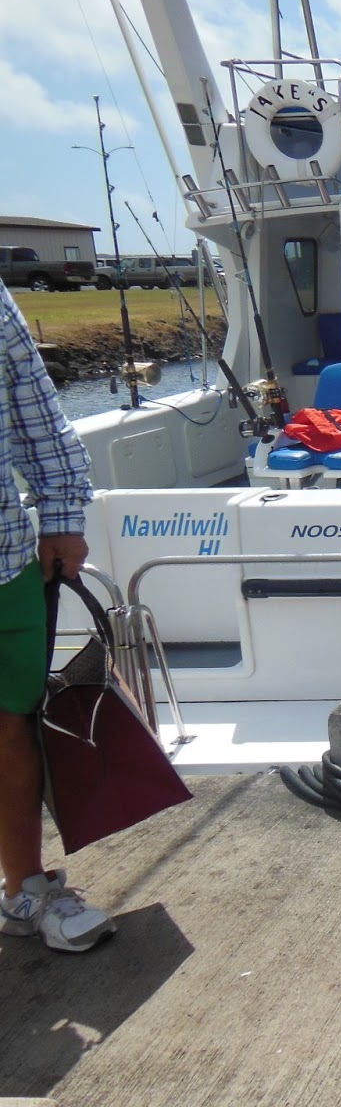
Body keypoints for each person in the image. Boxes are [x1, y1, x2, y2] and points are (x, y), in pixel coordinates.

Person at [0, 282, 115, 952]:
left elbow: (38, 418)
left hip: (6, 561)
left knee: (12, 728)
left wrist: (64, 520)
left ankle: (25, 890)